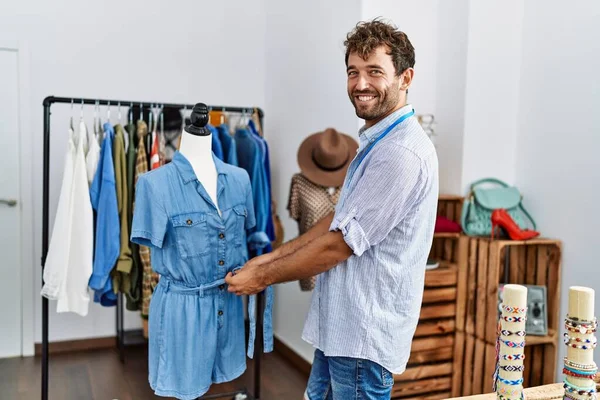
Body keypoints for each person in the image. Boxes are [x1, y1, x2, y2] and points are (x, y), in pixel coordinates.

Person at [225, 18, 439, 400]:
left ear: (406, 78)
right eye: (353, 72)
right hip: (342, 331)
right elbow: (335, 221)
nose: (360, 84)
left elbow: (337, 245)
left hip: (363, 340)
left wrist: (263, 277)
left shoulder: (400, 153)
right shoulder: (377, 141)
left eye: (375, 71)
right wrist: (268, 259)